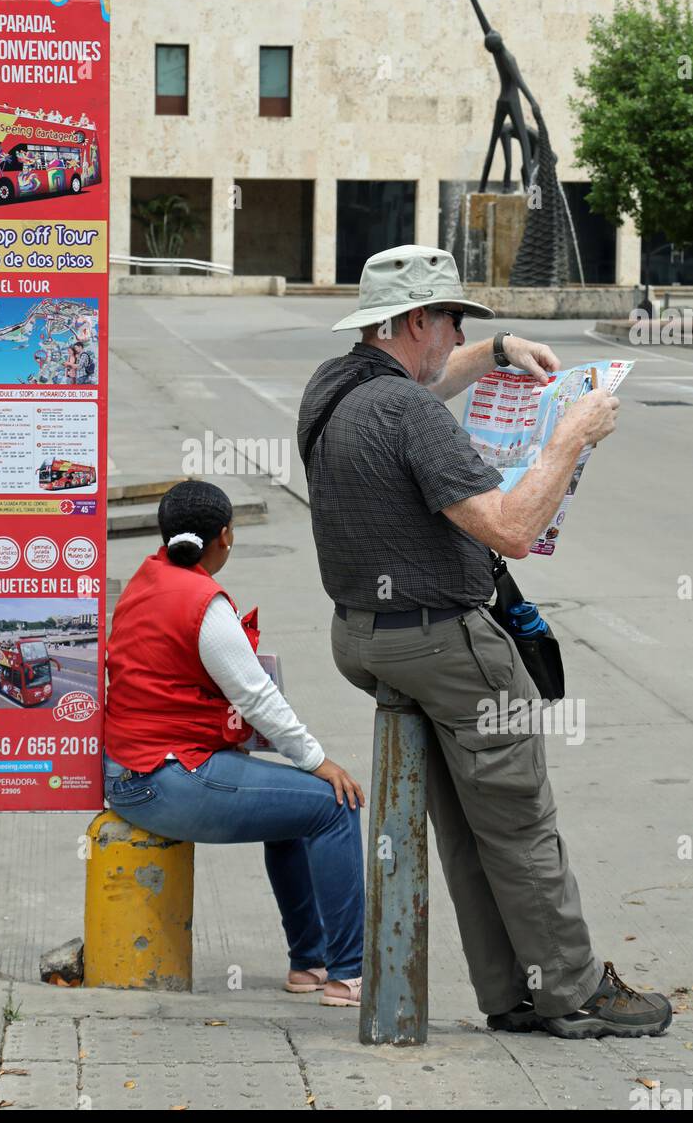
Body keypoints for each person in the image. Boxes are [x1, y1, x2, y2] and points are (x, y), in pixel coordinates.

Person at [297, 244, 672, 1040]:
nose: (454, 337)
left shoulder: (335, 385)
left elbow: (431, 373)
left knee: (467, 828)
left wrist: (498, 353)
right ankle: (571, 991)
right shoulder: (409, 414)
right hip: (445, 649)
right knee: (518, 820)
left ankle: (510, 992)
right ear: (413, 319)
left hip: (363, 638)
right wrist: (568, 438)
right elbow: (508, 528)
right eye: (451, 320)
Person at [103, 480, 366, 1004]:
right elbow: (256, 696)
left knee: (293, 811)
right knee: (334, 805)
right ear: (224, 536)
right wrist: (318, 761)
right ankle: (348, 974)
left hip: (128, 773)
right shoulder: (203, 602)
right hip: (167, 779)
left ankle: (309, 964)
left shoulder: (146, 579)